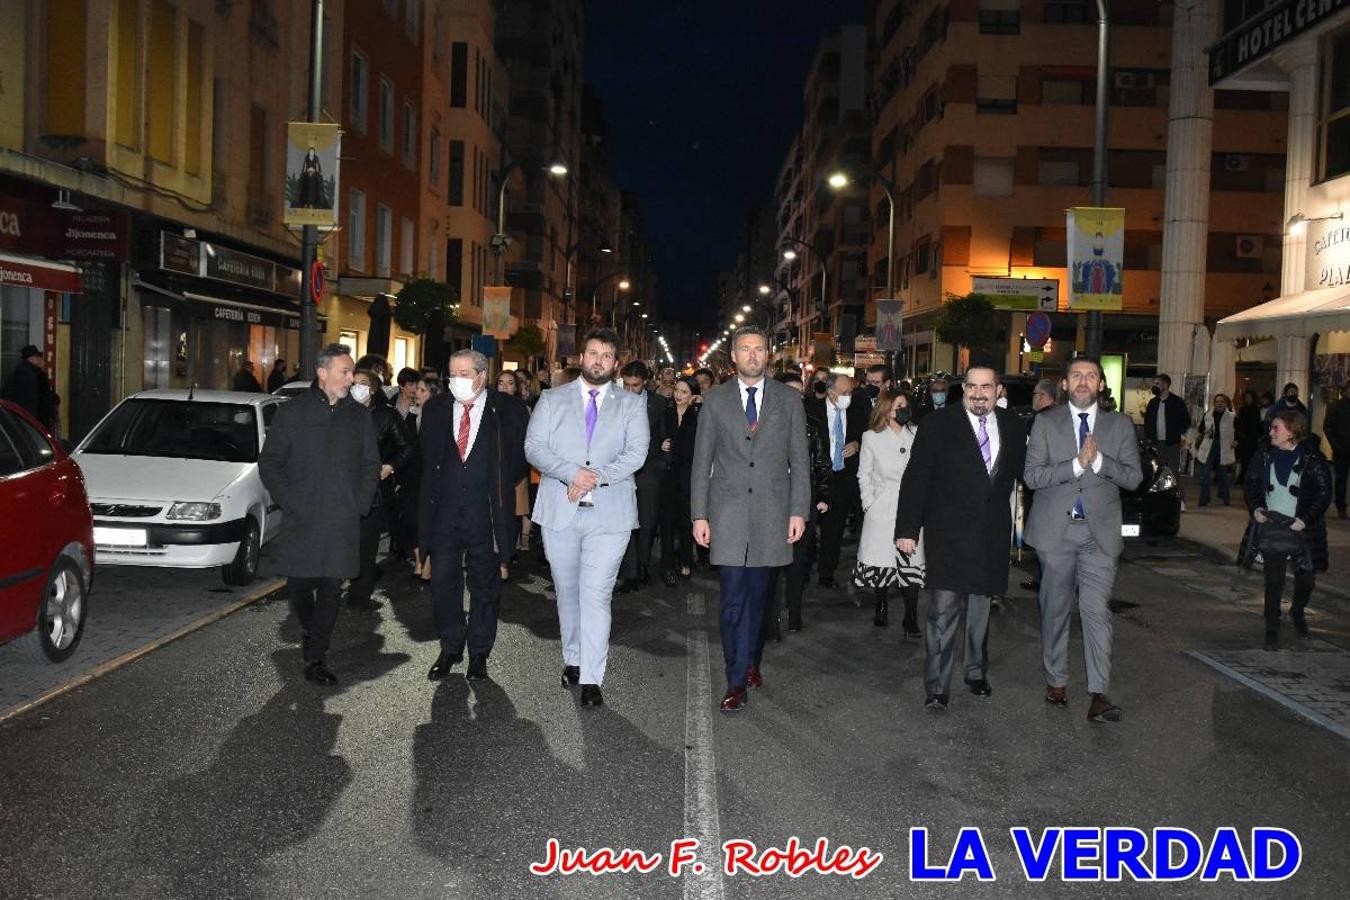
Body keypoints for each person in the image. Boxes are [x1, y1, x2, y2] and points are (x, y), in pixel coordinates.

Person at [525, 328, 649, 708]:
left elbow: (636, 453)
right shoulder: (551, 398)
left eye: (606, 355)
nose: (598, 360)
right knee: (568, 591)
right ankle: (574, 659)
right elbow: (534, 447)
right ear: (582, 357)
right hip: (560, 511)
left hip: (609, 515)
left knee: (596, 594)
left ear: (615, 362)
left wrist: (593, 477)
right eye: (593, 353)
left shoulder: (631, 404)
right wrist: (569, 472)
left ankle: (593, 677)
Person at [691, 326, 810, 712]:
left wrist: (798, 510)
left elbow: (800, 462)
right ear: (734, 357)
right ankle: (735, 679)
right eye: (745, 349)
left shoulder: (790, 400)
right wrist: (699, 514)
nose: (753, 355)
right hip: (726, 514)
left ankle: (752, 659)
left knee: (760, 600)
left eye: (759, 349)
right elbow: (701, 463)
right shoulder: (714, 400)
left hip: (773, 514)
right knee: (732, 601)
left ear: (768, 355)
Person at [895, 364, 1026, 713]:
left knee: (981, 612)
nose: (978, 393)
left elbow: (1024, 475)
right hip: (948, 535)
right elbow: (916, 477)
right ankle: (937, 687)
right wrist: (907, 529)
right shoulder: (938, 424)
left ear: (998, 390)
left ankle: (975, 671)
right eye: (972, 386)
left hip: (990, 536)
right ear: (963, 389)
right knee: (942, 613)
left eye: (986, 386)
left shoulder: (1013, 424)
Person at [1023, 356, 1143, 724]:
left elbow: (1134, 479)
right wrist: (1075, 465)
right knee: (1056, 610)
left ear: (1101, 385)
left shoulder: (1120, 426)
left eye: (1091, 376)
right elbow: (1032, 477)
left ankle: (1098, 694)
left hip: (1099, 535)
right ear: (1064, 383)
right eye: (1076, 375)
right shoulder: (1045, 423)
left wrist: (1100, 462)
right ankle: (1056, 681)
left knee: (1096, 612)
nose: (1083, 381)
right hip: (1056, 534)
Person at [258, 343, 379, 686]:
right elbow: (269, 462)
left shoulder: (358, 415)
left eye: (352, 372)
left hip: (342, 519)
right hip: (302, 518)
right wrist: (289, 500)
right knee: (299, 586)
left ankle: (316, 657)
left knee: (330, 587)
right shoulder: (293, 413)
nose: (351, 378)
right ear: (323, 373)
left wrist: (361, 502)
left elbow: (371, 463)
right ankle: (312, 632)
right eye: (345, 371)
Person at [419, 349, 528, 682]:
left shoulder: (507, 410)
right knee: (443, 584)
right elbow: (427, 458)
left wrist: (491, 486)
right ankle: (451, 647)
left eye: (464, 373)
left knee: (485, 585)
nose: (456, 380)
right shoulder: (435, 408)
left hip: (487, 513)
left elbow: (518, 460)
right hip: (444, 514)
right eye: (452, 373)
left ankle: (479, 652)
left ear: (482, 375)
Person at [1241, 410, 1332, 649]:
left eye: (1276, 428)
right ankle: (1272, 628)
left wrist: (1305, 518)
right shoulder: (1264, 454)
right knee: (1273, 581)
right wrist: (1257, 508)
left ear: (1292, 431)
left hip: (1304, 530)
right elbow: (1250, 484)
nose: (1270, 432)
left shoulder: (1313, 458)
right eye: (1271, 428)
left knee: (1306, 579)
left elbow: (1324, 494)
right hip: (1272, 526)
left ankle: (1297, 610)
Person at [760, 372, 831, 637]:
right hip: (770, 501)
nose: (796, 397)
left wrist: (823, 495)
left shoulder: (811, 424)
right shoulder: (761, 423)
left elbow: (822, 462)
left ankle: (795, 612)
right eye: (790, 391)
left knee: (798, 561)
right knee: (771, 564)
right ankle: (770, 619)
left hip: (802, 500)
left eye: (799, 392)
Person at [854, 390, 924, 636]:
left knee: (911, 563)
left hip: (911, 507)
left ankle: (911, 617)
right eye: (897, 406)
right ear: (885, 410)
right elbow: (864, 473)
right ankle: (881, 604)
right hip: (882, 507)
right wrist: (869, 502)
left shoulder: (917, 434)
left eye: (905, 405)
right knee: (882, 563)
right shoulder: (871, 437)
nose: (902, 410)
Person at [346, 369, 414, 611]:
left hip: (372, 493)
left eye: (362, 383)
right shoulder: (340, 411)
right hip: (340, 492)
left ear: (373, 389)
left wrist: (390, 466)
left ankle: (359, 597)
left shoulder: (386, 416)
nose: (356, 387)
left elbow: (406, 447)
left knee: (365, 548)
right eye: (353, 383)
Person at [805, 372, 869, 589]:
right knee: (809, 530)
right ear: (830, 392)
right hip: (817, 478)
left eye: (850, 392)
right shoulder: (811, 410)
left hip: (843, 478)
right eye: (843, 393)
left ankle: (826, 574)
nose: (847, 396)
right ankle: (802, 570)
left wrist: (857, 444)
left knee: (834, 530)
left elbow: (867, 434)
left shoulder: (857, 411)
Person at [617, 361, 670, 592]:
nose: (630, 390)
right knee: (625, 522)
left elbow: (667, 435)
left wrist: (662, 461)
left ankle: (644, 564)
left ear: (645, 383)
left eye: (635, 386)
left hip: (649, 470)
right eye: (626, 385)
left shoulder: (658, 403)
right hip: (620, 471)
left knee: (647, 522)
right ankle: (630, 574)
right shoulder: (613, 401)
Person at [1019, 379, 1061, 592]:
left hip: (1041, 485)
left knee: (1043, 535)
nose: (1033, 398)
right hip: (1049, 485)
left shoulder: (1042, 420)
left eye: (1036, 394)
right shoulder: (1058, 418)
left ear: (1045, 397)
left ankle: (1047, 580)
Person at [659, 376, 701, 585]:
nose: (678, 395)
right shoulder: (665, 413)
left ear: (693, 395)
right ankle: (667, 566)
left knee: (685, 521)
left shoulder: (698, 416)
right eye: (677, 390)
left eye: (684, 392)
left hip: (688, 476)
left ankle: (686, 560)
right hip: (667, 475)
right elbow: (658, 435)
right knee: (666, 522)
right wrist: (662, 443)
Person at [405, 375, 442, 583]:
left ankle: (427, 563)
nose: (417, 394)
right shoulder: (411, 415)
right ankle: (420, 558)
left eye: (422, 390)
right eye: (416, 389)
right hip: (413, 476)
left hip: (431, 475)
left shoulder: (439, 417)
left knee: (429, 520)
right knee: (412, 519)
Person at [496, 371, 536, 555]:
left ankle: (507, 552)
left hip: (514, 468)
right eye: (501, 382)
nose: (505, 386)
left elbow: (524, 442)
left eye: (510, 383)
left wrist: (517, 470)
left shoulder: (521, 409)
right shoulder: (487, 406)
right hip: (492, 469)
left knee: (511, 514)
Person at [1143, 373, 1190, 477]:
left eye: (1157, 383)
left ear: (1165, 385)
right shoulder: (1153, 402)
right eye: (1154, 384)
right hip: (1156, 443)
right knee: (1157, 471)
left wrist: (1178, 434)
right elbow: (1147, 421)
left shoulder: (1177, 402)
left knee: (1173, 472)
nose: (1154, 386)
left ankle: (1176, 493)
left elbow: (1186, 420)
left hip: (1172, 443)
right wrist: (1149, 437)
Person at [1195, 393, 1236, 507]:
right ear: (1214, 403)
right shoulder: (1208, 414)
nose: (1219, 403)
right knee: (1206, 473)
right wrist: (1206, 431)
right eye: (1217, 401)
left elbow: (1237, 430)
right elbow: (1201, 428)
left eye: (1222, 401)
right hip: (1209, 445)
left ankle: (1225, 497)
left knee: (1223, 473)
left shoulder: (1232, 416)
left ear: (1226, 403)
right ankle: (1204, 499)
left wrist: (1235, 440)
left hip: (1224, 446)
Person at [2, 344, 56, 429]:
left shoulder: (21, 372)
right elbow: (34, 399)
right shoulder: (32, 374)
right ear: (31, 358)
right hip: (30, 419)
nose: (41, 360)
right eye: (38, 357)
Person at [1323, 387, 1350, 519]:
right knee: (1341, 479)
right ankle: (1341, 507)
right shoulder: (1336, 406)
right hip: (1341, 449)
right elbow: (1328, 426)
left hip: (1342, 448)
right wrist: (1336, 445)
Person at [1234, 389, 1264, 486]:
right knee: (1244, 461)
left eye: (1249, 398)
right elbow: (1239, 424)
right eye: (1246, 398)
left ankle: (1244, 478)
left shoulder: (1255, 410)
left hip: (1251, 441)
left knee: (1248, 461)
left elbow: (1255, 426)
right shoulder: (1243, 410)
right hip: (1243, 440)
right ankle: (1243, 478)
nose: (1247, 400)